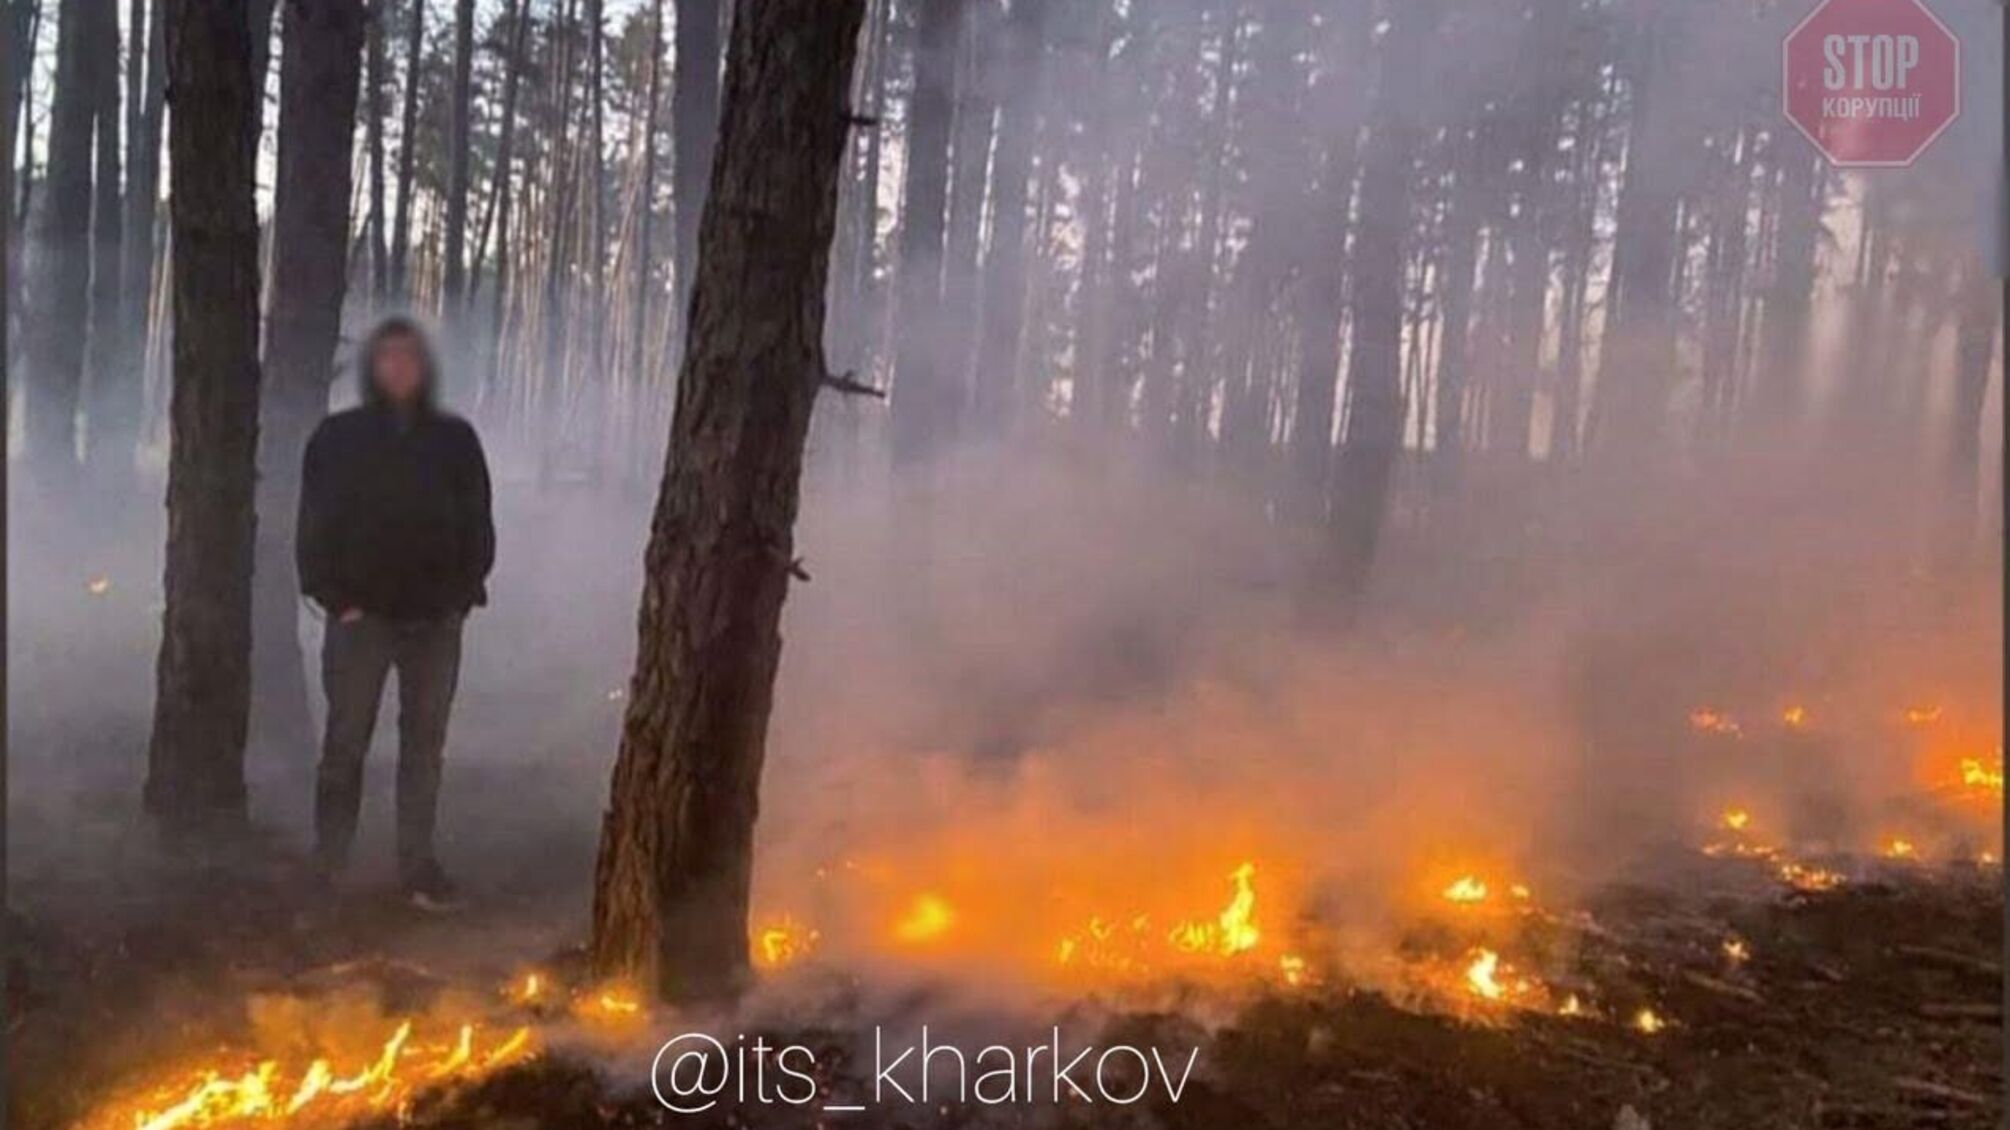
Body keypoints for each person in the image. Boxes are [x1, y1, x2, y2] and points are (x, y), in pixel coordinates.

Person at [297, 317, 494, 909]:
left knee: (424, 746)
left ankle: (418, 866)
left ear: (424, 367)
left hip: (435, 619)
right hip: (363, 618)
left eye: (410, 357)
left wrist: (462, 595)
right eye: (388, 358)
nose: (400, 367)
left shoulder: (455, 440)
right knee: (345, 742)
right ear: (372, 368)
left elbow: (477, 524)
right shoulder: (339, 438)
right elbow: (315, 525)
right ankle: (328, 864)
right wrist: (335, 597)